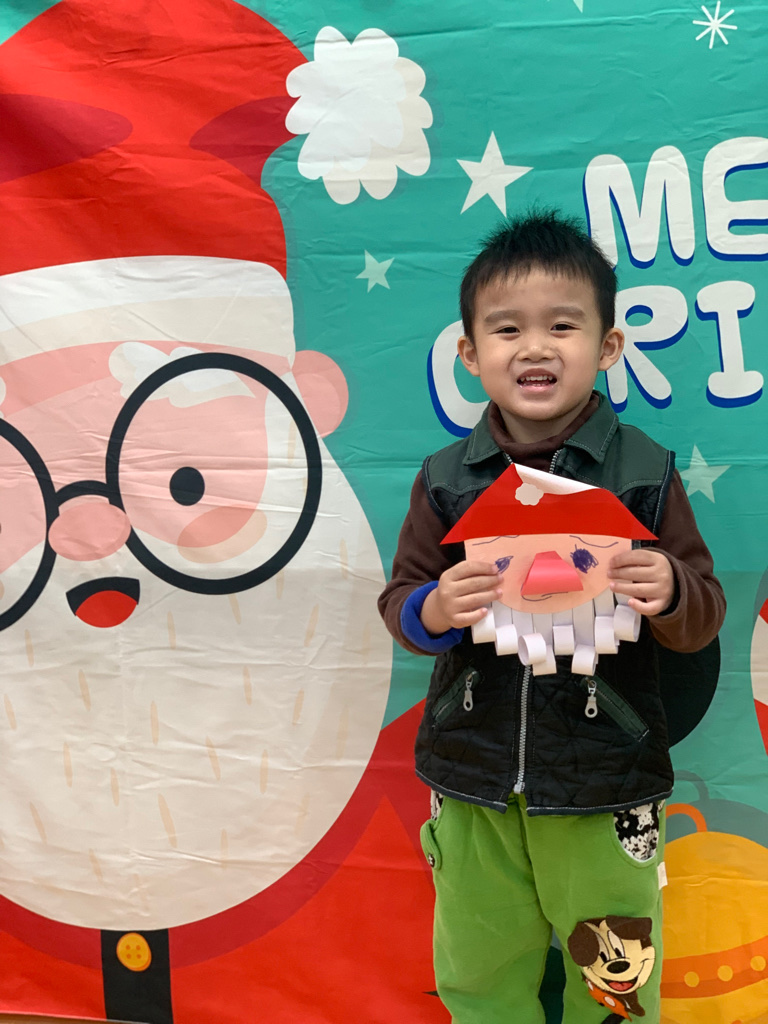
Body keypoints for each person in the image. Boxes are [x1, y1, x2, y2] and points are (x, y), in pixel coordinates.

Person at [378, 210, 725, 1024]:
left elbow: (703, 615)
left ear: (608, 346)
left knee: (614, 971)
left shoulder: (644, 473)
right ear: (470, 354)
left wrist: (671, 587)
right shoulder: (445, 480)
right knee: (479, 965)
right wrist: (435, 607)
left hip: (607, 778)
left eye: (563, 326)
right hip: (473, 778)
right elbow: (401, 603)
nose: (535, 348)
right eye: (507, 330)